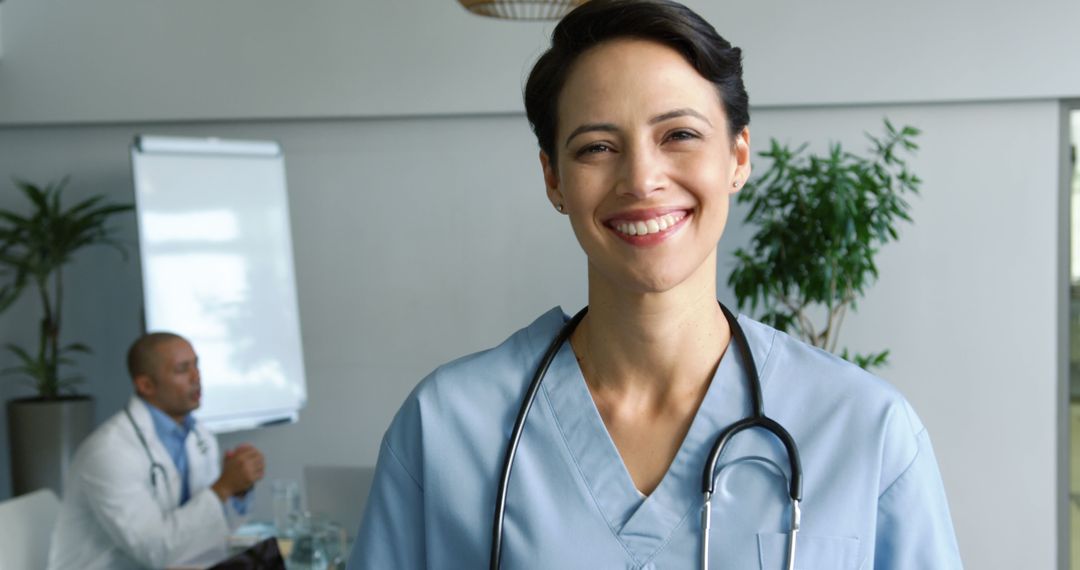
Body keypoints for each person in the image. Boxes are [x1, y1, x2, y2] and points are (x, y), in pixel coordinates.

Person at [349, 1, 963, 568]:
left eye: (680, 135)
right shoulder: (447, 427)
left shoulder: (865, 429)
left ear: (738, 157)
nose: (641, 179)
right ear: (554, 179)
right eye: (597, 146)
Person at [48, 332, 266, 569]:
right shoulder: (108, 453)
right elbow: (154, 551)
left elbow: (217, 532)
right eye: (183, 370)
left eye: (197, 365)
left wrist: (239, 489)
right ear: (146, 385)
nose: (197, 377)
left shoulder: (200, 436)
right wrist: (224, 487)